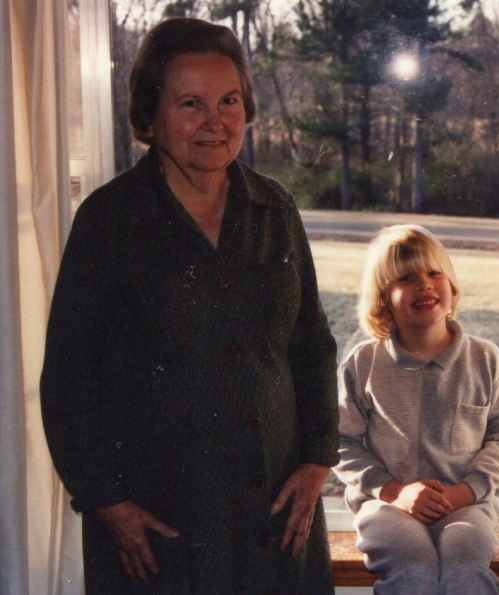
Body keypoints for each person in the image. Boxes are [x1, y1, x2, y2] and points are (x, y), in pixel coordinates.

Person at [40, 18, 339, 595]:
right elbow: (68, 381)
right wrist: (106, 501)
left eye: (229, 100)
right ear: (150, 117)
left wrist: (316, 460)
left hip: (274, 524)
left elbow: (313, 346)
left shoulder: (274, 208)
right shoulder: (108, 221)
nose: (215, 121)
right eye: (190, 104)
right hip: (160, 534)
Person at [334, 224, 499, 595]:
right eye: (406, 278)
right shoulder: (363, 363)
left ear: (451, 287)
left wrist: (466, 492)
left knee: (465, 566)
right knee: (414, 570)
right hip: (388, 505)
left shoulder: (485, 359)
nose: (424, 284)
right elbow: (342, 441)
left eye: (434, 273)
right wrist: (394, 492)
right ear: (382, 300)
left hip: (467, 505)